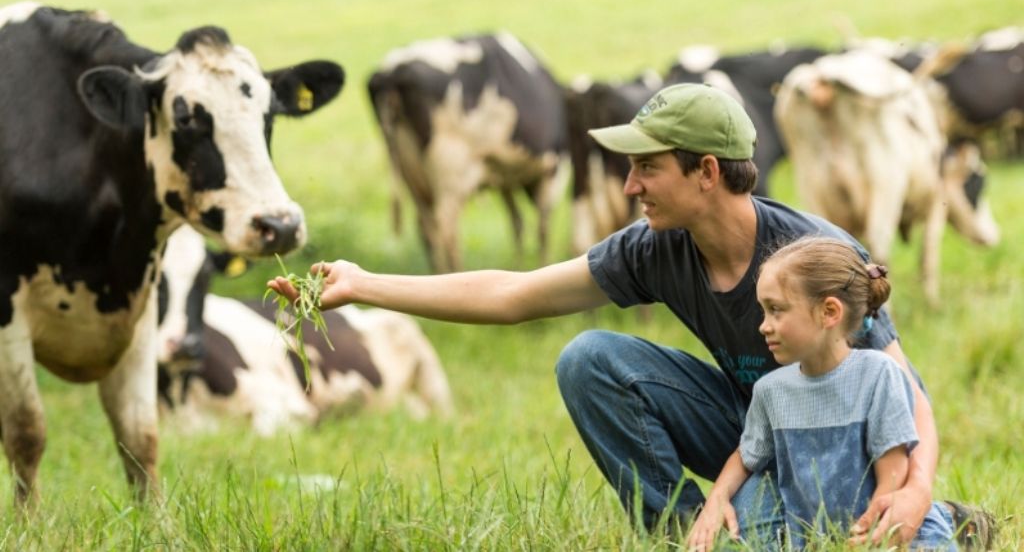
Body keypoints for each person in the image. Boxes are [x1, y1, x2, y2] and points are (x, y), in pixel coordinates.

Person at [267, 83, 984, 547]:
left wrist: (917, 488)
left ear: (707, 172)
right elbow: (515, 295)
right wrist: (366, 284)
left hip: (840, 436)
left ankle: (933, 518)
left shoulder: (812, 256)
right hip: (758, 425)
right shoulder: (654, 247)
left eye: (648, 168)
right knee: (589, 360)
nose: (629, 183)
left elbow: (903, 390)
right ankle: (688, 535)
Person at [686, 237, 956, 550]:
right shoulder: (771, 391)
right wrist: (716, 500)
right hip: (817, 540)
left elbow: (891, 480)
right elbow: (747, 457)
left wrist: (871, 540)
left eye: (776, 310)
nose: (763, 326)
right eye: (763, 311)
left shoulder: (878, 375)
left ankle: (956, 522)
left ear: (829, 312)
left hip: (888, 531)